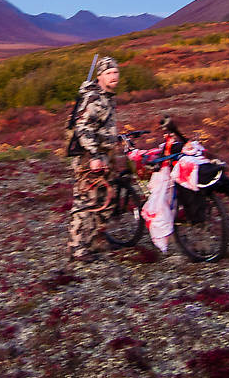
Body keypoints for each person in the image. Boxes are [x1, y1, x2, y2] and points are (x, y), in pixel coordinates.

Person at [67, 56, 120, 263]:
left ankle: (97, 240)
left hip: (104, 156)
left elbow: (103, 126)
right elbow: (83, 128)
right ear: (100, 76)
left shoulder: (108, 96)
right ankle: (77, 248)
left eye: (115, 72)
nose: (113, 76)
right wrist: (93, 155)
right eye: (109, 73)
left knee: (106, 199)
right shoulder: (93, 98)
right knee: (85, 202)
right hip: (89, 158)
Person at [127, 113, 187, 253]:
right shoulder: (173, 140)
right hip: (171, 167)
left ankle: (164, 229)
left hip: (166, 171)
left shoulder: (170, 141)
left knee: (157, 192)